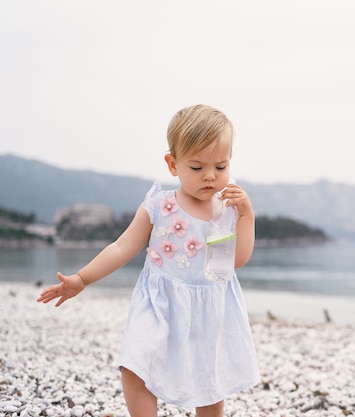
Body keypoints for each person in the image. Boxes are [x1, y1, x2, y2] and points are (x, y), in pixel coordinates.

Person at [37, 104, 260, 417]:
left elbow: (237, 260)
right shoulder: (160, 204)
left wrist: (248, 215)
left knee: (208, 379)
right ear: (173, 164)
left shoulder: (228, 209)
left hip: (209, 306)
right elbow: (121, 247)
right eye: (197, 167)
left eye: (220, 167)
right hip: (159, 303)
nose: (210, 176)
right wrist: (82, 278)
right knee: (135, 363)